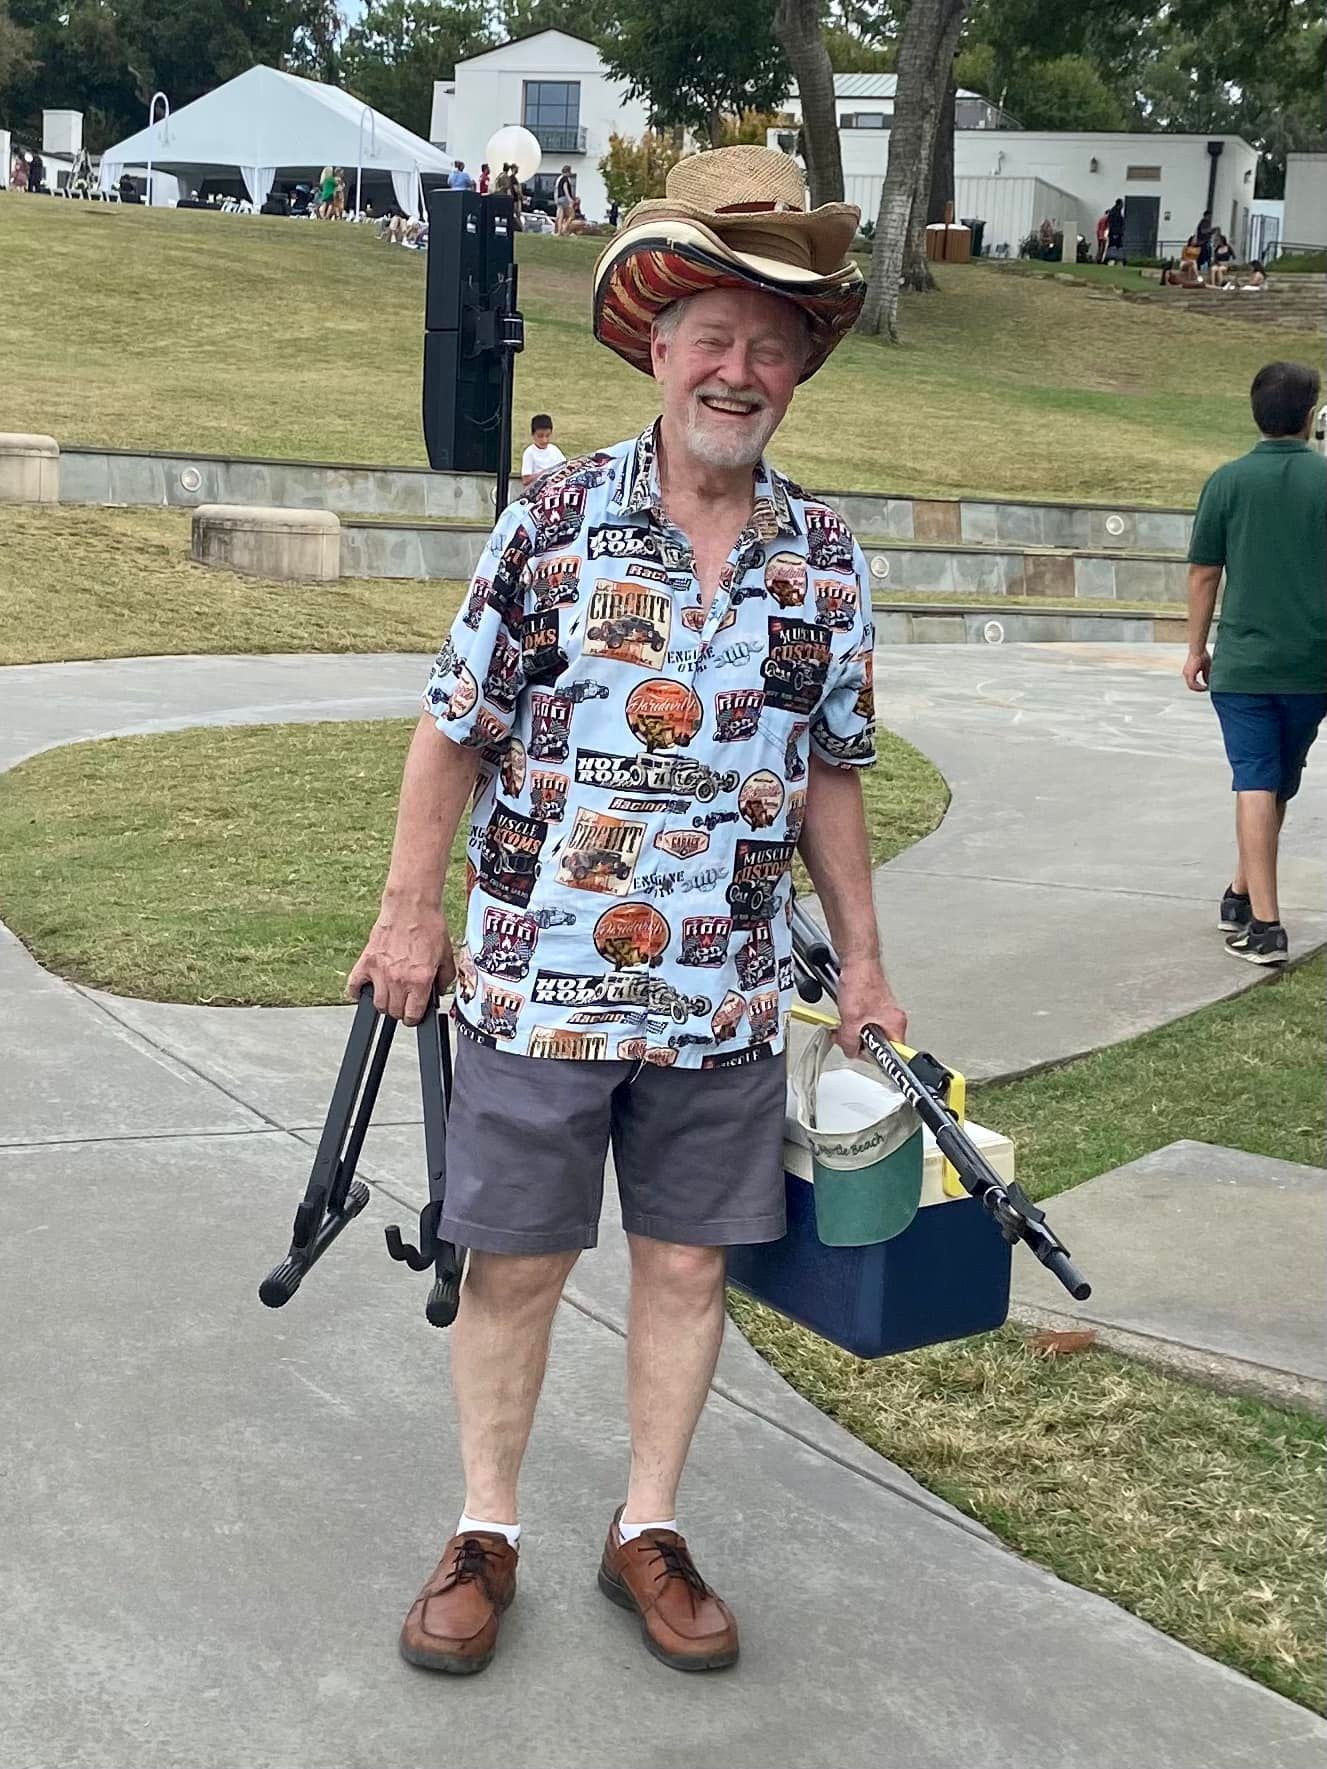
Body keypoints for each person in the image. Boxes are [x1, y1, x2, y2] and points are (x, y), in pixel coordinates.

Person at [348, 142, 901, 1679]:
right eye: (709, 338)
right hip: (537, 975)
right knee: (515, 1262)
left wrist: (862, 963)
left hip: (721, 990)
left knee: (683, 1264)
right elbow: (451, 730)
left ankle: (643, 1526)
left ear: (794, 369)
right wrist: (409, 919)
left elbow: (832, 779)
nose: (736, 370)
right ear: (655, 348)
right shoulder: (551, 526)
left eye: (766, 344)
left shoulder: (825, 566)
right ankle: (485, 1529)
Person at [1183, 361, 1327, 965]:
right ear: (1311, 413)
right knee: (1269, 780)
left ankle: (1254, 911)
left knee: (1263, 782)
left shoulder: (1227, 481)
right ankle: (1253, 907)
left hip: (1245, 665)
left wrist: (1195, 648)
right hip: (1313, 666)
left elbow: (1204, 573)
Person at [520, 413, 566, 488]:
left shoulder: (554, 450)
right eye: (540, 436)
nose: (544, 440)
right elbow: (526, 480)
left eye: (547, 436)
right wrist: (545, 473)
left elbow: (564, 467)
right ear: (533, 435)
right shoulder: (529, 453)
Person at [554, 164, 575, 234]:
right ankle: (564, 229)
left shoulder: (559, 179)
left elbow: (557, 189)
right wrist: (569, 199)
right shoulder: (565, 179)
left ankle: (559, 231)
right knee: (571, 215)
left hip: (559, 198)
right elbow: (565, 188)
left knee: (561, 216)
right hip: (564, 199)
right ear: (568, 171)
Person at [1104, 198, 1125, 264]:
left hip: (1118, 232)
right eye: (1122, 204)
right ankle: (1111, 259)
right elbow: (1113, 223)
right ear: (1119, 204)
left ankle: (1118, 259)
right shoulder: (1114, 213)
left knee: (1118, 246)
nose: (1123, 206)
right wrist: (1115, 232)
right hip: (1115, 233)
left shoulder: (1117, 212)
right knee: (1113, 245)